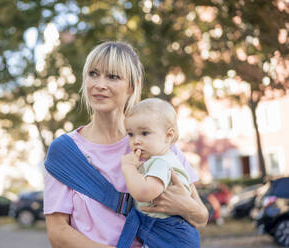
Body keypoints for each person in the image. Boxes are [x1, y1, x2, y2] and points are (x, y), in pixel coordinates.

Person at [44, 41, 208, 248]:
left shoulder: (155, 142)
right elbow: (58, 234)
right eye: (93, 74)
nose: (99, 84)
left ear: (132, 86)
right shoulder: (65, 152)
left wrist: (186, 207)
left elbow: (201, 218)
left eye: (112, 76)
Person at [118, 98, 200, 247]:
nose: (136, 140)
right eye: (130, 134)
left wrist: (128, 168)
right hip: (165, 228)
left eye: (144, 133)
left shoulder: (161, 162)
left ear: (168, 136)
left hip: (170, 231)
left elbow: (144, 192)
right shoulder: (158, 160)